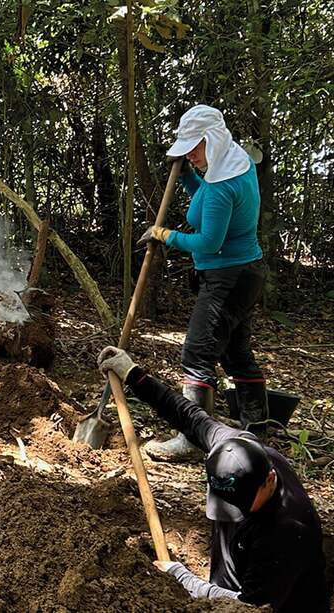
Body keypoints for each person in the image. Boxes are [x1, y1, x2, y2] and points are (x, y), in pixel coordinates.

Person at [98, 346, 328, 612]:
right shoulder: (234, 447)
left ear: (269, 480)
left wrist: (183, 578)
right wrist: (133, 375)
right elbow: (187, 416)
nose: (232, 514)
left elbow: (250, 606)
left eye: (240, 505)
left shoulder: (287, 530)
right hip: (231, 580)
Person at [139, 104, 269, 462]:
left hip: (228, 276)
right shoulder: (232, 164)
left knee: (197, 353)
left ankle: (192, 438)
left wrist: (164, 234)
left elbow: (208, 241)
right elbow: (204, 195)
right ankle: (257, 428)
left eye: (195, 149)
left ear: (212, 141)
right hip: (244, 273)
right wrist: (186, 177)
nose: (191, 156)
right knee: (236, 353)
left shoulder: (223, 186)